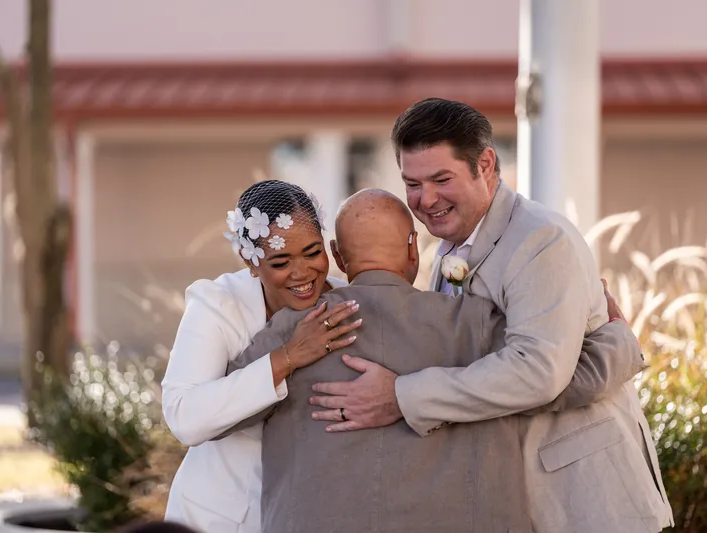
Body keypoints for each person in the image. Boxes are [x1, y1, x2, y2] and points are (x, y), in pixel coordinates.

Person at [309, 99, 674, 532]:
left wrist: (402, 396)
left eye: (441, 179)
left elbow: (538, 372)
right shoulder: (449, 249)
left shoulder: (540, 241)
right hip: (510, 498)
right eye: (412, 183)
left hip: (583, 500)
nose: (425, 200)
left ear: (485, 164)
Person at [221, 189, 645, 533]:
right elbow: (560, 379)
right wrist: (619, 339)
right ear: (412, 250)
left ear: (337, 254)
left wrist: (290, 356)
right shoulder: (472, 325)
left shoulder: (294, 332)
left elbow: (223, 411)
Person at [160, 180, 362, 533]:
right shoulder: (218, 305)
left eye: (313, 253)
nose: (302, 273)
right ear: (251, 262)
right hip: (216, 518)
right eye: (281, 261)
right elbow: (184, 417)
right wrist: (288, 356)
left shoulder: (349, 301)